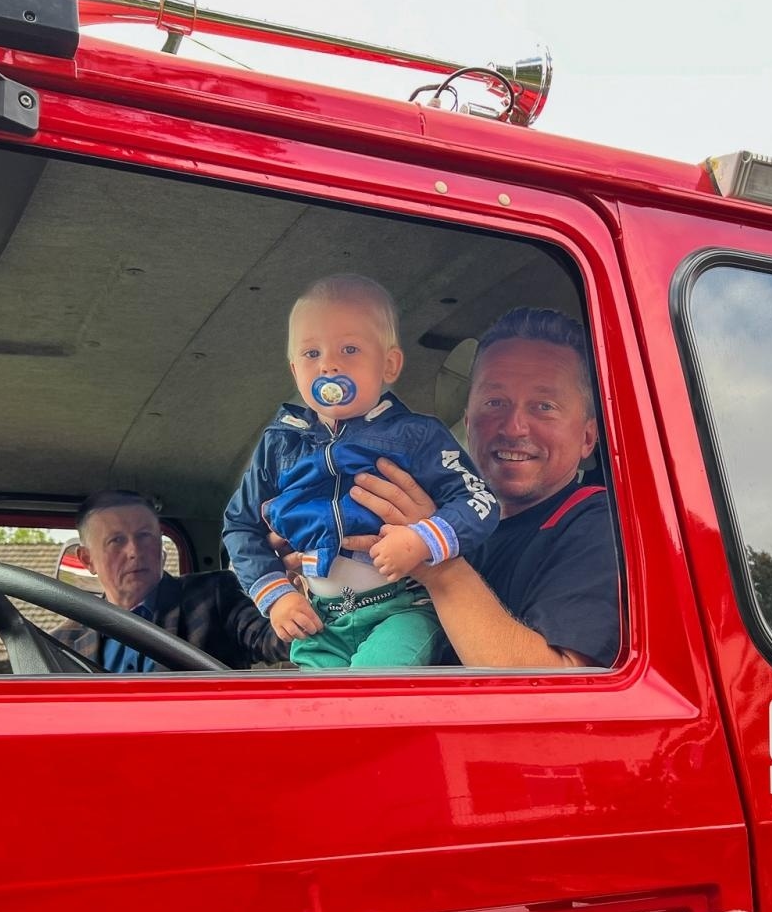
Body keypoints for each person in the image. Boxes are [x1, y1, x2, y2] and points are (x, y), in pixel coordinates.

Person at [223, 274, 499, 668]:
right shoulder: (280, 444)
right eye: (311, 353)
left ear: (388, 364)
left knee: (370, 694)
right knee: (319, 719)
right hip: (323, 620)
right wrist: (275, 593)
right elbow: (240, 526)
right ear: (294, 369)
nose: (329, 364)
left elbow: (478, 500)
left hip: (401, 609)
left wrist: (424, 538)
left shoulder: (417, 436)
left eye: (349, 348)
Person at [341, 307, 620, 668]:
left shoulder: (599, 525)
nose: (514, 426)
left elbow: (552, 688)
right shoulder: (439, 510)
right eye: (495, 402)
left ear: (587, 437)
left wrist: (433, 558)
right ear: (469, 423)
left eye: (544, 406)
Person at [52, 490, 287, 671]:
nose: (135, 551)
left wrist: (293, 595)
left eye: (145, 536)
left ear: (160, 545)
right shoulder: (63, 641)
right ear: (88, 559)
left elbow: (272, 639)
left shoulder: (213, 596)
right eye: (116, 541)